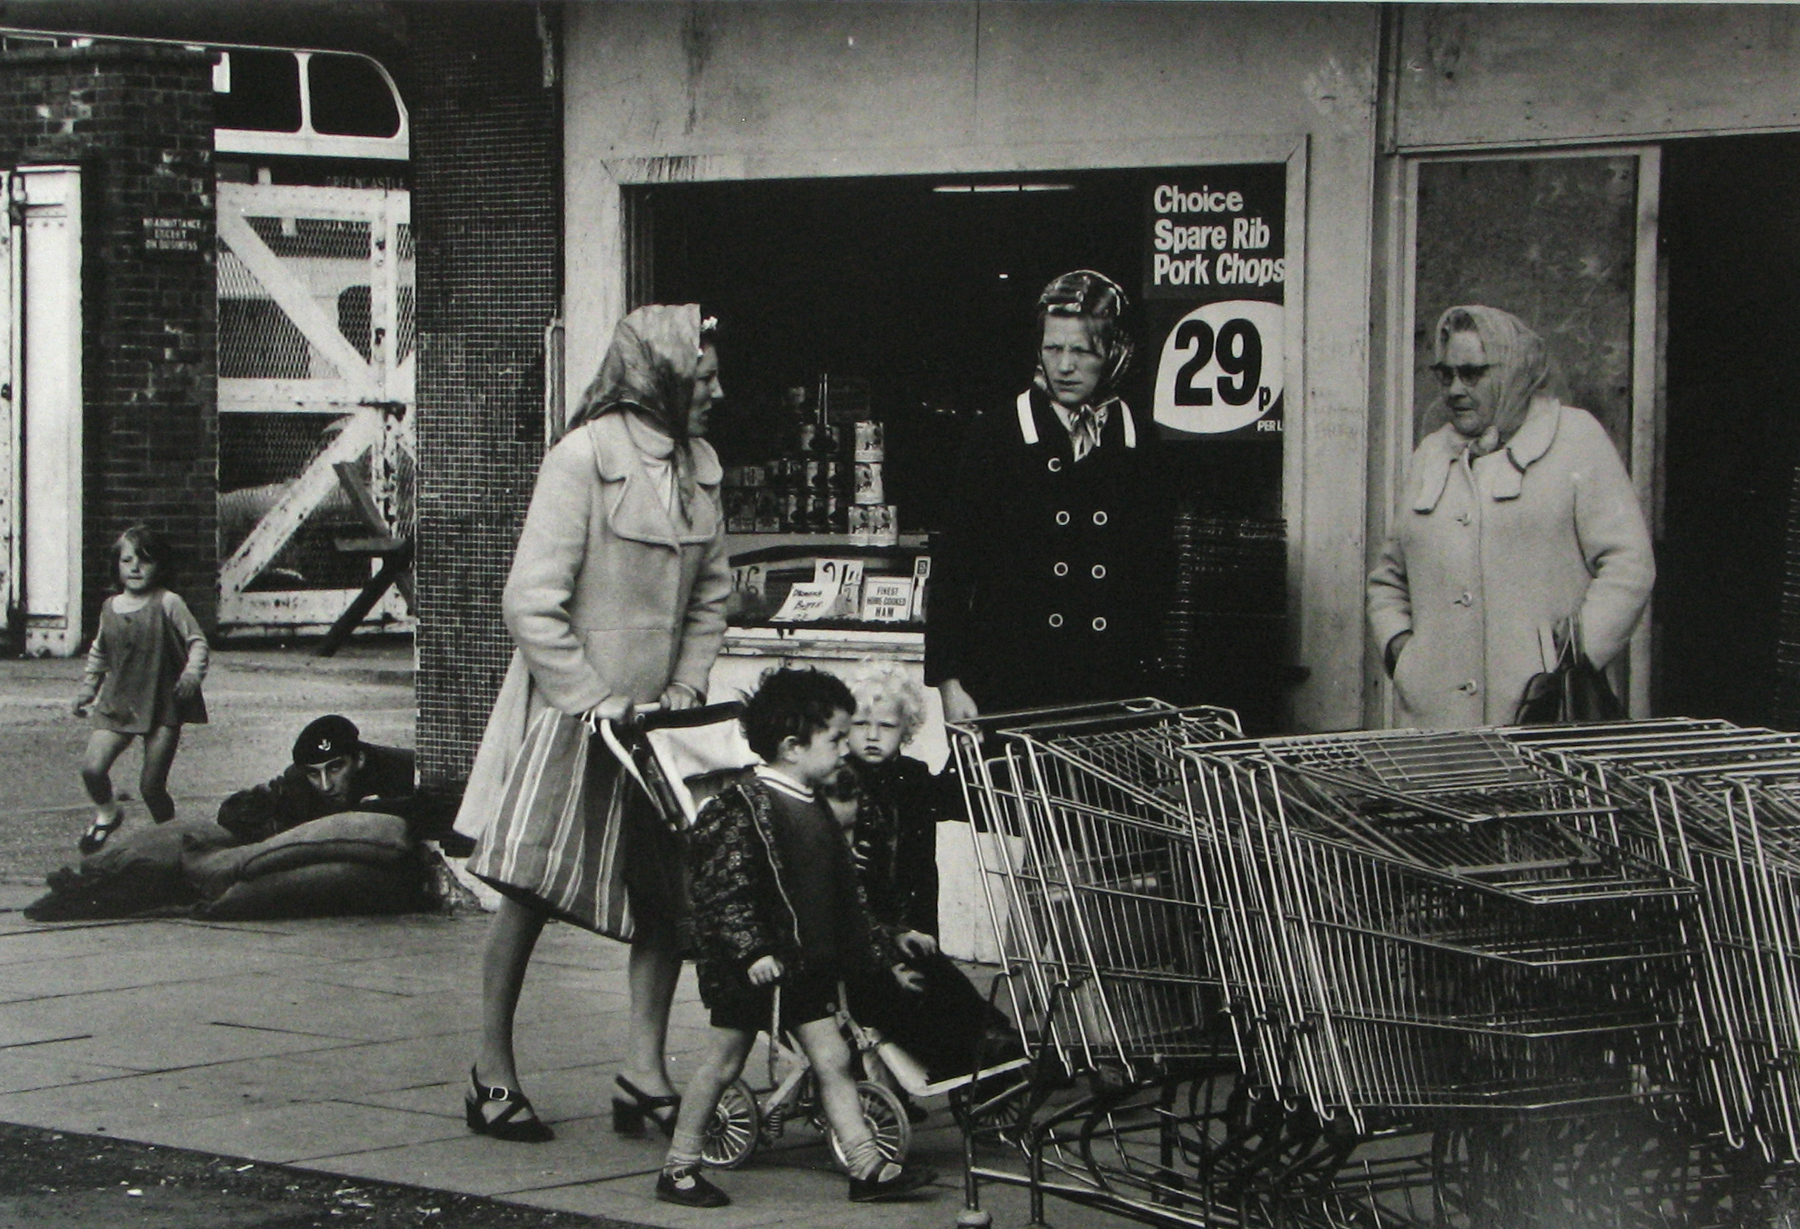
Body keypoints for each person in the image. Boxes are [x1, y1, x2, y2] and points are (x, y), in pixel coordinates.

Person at [459, 304, 731, 1143]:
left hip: (658, 726)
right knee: (530, 889)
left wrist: (686, 685)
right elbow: (529, 602)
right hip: (574, 713)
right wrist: (591, 695)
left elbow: (712, 594)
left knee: (664, 898)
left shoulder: (700, 468)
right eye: (704, 374)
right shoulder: (581, 458)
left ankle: (643, 1071)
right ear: (658, 377)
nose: (718, 389)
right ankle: (490, 1071)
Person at [658, 667, 935, 1208]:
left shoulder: (816, 808)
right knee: (722, 1064)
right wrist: (752, 950)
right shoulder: (744, 809)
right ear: (792, 746)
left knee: (832, 1060)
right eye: (834, 738)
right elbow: (723, 892)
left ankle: (866, 1167)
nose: (844, 748)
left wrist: (884, 939)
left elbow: (843, 900)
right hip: (752, 971)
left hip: (803, 969)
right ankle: (678, 1168)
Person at [1367, 304, 1655, 729]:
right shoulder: (1430, 454)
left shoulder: (1575, 439)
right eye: (1446, 375)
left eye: (1472, 373)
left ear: (1514, 370)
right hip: (1436, 724)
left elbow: (1630, 565)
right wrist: (1404, 653)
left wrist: (1573, 657)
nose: (1455, 390)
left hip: (1542, 715)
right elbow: (1389, 578)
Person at [927, 270, 1164, 721]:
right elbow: (954, 568)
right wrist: (949, 682)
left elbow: (1154, 573)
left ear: (1114, 354)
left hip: (1108, 690)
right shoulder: (997, 435)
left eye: (1083, 350)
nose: (1065, 365)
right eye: (1054, 348)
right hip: (1011, 686)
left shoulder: (1138, 439)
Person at [829, 661, 1013, 1109]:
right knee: (906, 1003)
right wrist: (884, 944)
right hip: (859, 944)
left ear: (907, 730)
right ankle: (962, 1062)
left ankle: (996, 1051)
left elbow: (955, 797)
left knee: (955, 993)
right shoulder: (837, 786)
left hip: (912, 928)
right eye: (860, 724)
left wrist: (969, 748)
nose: (872, 735)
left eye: (887, 726)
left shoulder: (911, 778)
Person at [71, 525, 209, 853]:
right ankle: (107, 814)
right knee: (92, 769)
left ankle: (171, 842)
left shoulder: (168, 602)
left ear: (160, 565)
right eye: (127, 560)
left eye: (145, 560)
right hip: (119, 700)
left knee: (151, 786)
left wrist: (191, 675)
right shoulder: (109, 607)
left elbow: (198, 642)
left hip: (163, 702)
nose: (135, 568)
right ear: (116, 565)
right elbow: (100, 651)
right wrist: (87, 688)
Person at [215, 715, 427, 844]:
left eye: (335, 768)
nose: (325, 785)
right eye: (314, 774)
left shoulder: (406, 771)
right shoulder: (296, 782)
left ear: (359, 759)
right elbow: (236, 813)